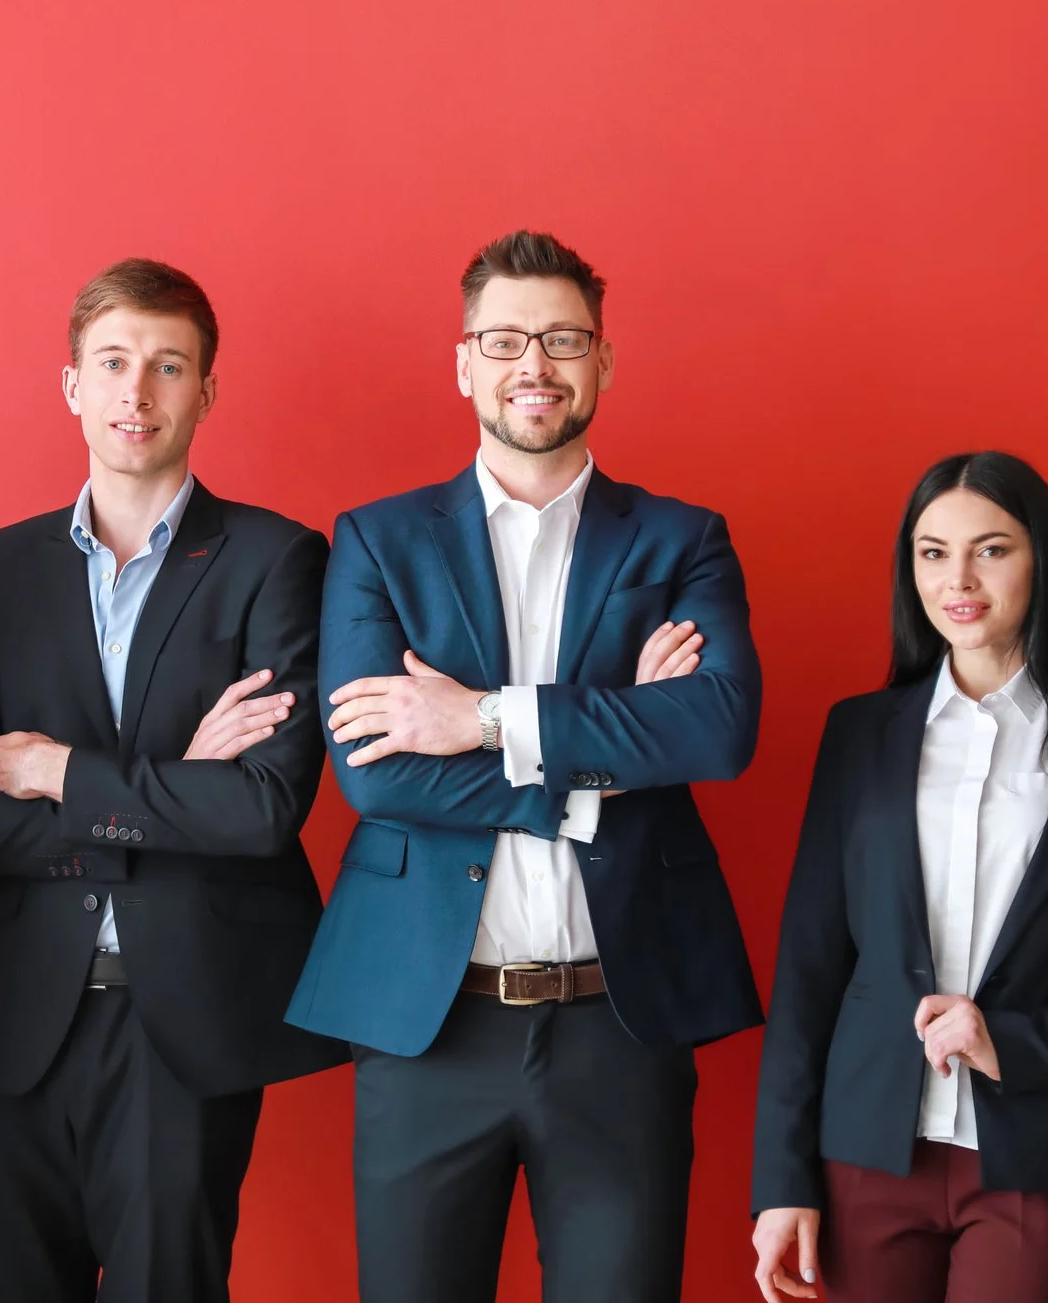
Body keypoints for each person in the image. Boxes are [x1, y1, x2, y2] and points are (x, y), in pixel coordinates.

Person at [284, 229, 765, 1303]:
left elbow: (718, 728)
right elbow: (377, 772)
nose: (533, 364)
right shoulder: (379, 539)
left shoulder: (683, 539)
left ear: (603, 359)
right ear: (464, 363)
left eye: (562, 338)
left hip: (619, 1025)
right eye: (504, 340)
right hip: (426, 1021)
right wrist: (610, 751)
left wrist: (481, 716)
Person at [0, 259, 346, 1303]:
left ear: (207, 389)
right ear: (72, 383)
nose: (136, 391)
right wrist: (169, 792)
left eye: (167, 365)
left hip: (183, 1020)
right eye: (112, 363)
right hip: (13, 1015)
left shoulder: (276, 559)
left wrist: (60, 771)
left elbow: (261, 807)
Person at [748, 451, 1048, 1303]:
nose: (959, 579)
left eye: (992, 549)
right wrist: (781, 1178)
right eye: (932, 552)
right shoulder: (859, 734)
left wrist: (1019, 1042)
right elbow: (809, 967)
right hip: (864, 1152)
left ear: (1043, 559)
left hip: (1039, 1155)